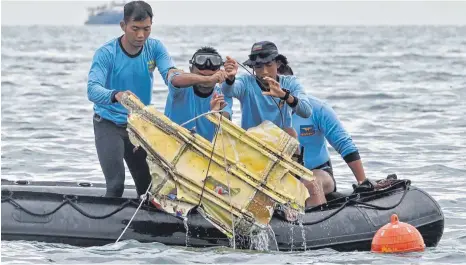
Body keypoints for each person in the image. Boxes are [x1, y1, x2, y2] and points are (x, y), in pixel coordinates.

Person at [87, 1, 178, 197]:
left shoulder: (154, 48)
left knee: (149, 189)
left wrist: (198, 80)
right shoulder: (106, 53)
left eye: (146, 29)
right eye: (135, 29)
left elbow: (170, 74)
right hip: (108, 124)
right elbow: (92, 90)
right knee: (116, 185)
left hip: (138, 126)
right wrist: (116, 95)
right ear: (123, 26)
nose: (141, 35)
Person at [276, 55, 367, 207]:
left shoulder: (318, 109)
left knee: (310, 183)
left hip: (319, 172)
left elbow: (345, 145)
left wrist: (362, 182)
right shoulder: (264, 113)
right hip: (280, 175)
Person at [221, 41, 312, 136]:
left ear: (278, 63)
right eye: (258, 66)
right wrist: (230, 79)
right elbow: (228, 91)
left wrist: (284, 95)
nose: (264, 71)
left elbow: (306, 111)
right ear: (253, 67)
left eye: (269, 65)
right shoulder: (245, 82)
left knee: (291, 133)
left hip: (281, 141)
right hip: (252, 141)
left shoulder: (290, 82)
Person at [164, 47, 233, 141]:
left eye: (211, 75)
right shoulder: (180, 88)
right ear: (191, 70)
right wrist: (209, 79)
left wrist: (216, 113)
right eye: (201, 75)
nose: (207, 79)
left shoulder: (222, 94)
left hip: (204, 151)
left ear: (220, 72)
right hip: (172, 142)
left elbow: (227, 118)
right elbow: (174, 79)